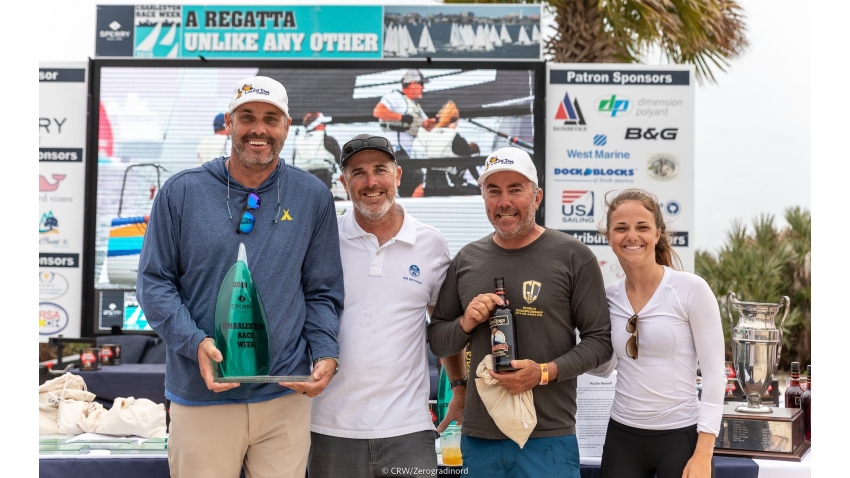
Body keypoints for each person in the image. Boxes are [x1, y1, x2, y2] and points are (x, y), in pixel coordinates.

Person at [136, 76, 344, 478]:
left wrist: (326, 353)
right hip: (202, 397)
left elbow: (322, 291)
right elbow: (154, 283)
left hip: (284, 395)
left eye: (271, 118)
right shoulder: (181, 192)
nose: (258, 129)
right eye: (247, 117)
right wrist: (195, 343)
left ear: (286, 127)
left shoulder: (312, 196)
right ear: (229, 123)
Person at [427, 146, 613, 478]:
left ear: (537, 196)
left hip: (548, 437)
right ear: (483, 197)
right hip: (480, 436)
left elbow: (599, 343)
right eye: (493, 191)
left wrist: (543, 372)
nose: (504, 202)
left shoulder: (573, 256)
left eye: (516, 189)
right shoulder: (467, 259)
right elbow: (440, 340)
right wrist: (466, 324)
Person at [308, 133, 460, 478]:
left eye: (380, 169)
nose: (371, 182)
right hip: (329, 428)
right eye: (358, 172)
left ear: (398, 175)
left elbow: (443, 328)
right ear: (344, 182)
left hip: (408, 429)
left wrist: (460, 387)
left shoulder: (431, 244)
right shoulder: (323, 239)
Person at [591, 188, 725, 478]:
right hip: (622, 438)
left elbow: (715, 374)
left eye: (642, 227)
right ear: (609, 237)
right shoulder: (608, 297)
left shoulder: (691, 289)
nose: (631, 236)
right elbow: (604, 368)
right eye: (621, 228)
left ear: (657, 233)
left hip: (682, 439)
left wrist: (704, 453)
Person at [373, 69, 436, 197]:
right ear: (412, 83)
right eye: (421, 84)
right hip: (396, 150)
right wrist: (401, 118)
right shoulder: (394, 97)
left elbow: (427, 125)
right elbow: (378, 111)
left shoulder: (414, 105)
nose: (423, 88)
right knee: (417, 177)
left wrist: (439, 119)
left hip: (407, 152)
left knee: (410, 183)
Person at [410, 100, 480, 196]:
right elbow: (471, 164)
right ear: (455, 120)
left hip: (429, 183)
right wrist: (480, 182)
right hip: (448, 183)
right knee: (476, 193)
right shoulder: (456, 137)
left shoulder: (430, 134)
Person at [291, 111, 341, 190]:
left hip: (303, 188)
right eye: (323, 124)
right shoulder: (328, 140)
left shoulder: (297, 143)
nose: (325, 126)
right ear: (317, 126)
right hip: (325, 186)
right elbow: (343, 164)